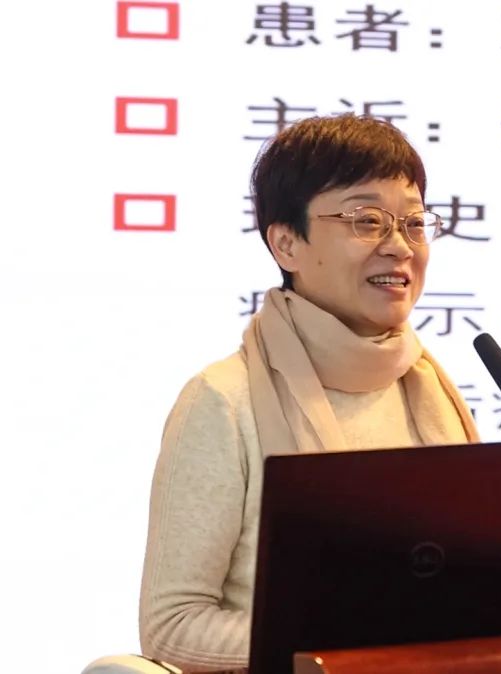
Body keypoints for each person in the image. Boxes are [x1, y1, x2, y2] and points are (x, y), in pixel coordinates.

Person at [138, 114, 479, 672]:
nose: (399, 247)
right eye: (367, 220)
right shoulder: (223, 401)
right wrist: (350, 639)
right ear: (286, 243)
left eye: (415, 223)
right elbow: (172, 629)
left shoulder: (432, 391)